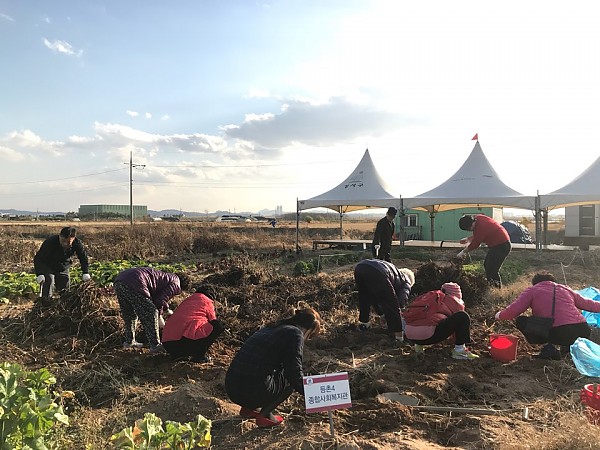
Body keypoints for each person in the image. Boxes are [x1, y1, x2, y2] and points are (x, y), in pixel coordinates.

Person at [225, 308, 322, 428]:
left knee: (264, 368)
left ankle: (248, 409)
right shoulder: (295, 334)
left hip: (232, 388)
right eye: (310, 335)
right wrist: (313, 393)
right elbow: (294, 373)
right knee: (289, 378)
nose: (307, 339)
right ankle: (265, 415)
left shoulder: (270, 328)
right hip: (252, 391)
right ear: (308, 329)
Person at [494, 272, 600, 360]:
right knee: (564, 328)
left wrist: (499, 315)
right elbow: (590, 304)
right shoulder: (566, 289)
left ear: (535, 283)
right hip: (582, 330)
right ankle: (567, 348)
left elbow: (514, 310)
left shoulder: (533, 290)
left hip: (557, 332)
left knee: (521, 320)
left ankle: (550, 349)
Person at [113, 267, 190, 353]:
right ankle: (155, 345)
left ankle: (129, 342)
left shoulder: (167, 277)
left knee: (130, 314)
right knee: (151, 312)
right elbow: (159, 301)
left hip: (120, 281)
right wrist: (159, 315)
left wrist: (166, 309)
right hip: (135, 282)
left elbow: (157, 296)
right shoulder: (176, 283)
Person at [403, 282, 479, 360]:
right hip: (429, 336)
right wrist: (460, 340)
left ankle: (418, 347)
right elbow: (456, 329)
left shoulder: (429, 296)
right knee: (463, 316)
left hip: (410, 336)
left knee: (425, 320)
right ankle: (459, 351)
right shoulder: (455, 301)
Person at [353, 259, 414, 342]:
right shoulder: (406, 282)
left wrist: (382, 314)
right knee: (392, 303)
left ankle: (364, 323)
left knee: (365, 295)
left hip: (360, 267)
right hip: (379, 272)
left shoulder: (394, 274)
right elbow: (399, 302)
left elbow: (375, 297)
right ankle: (399, 336)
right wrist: (398, 315)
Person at [161, 284, 225, 363]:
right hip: (184, 343)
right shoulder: (207, 302)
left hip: (167, 344)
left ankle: (179, 356)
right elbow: (213, 321)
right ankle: (199, 356)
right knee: (218, 325)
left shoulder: (187, 300)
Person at [34, 226, 90, 304]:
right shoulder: (50, 242)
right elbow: (38, 258)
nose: (65, 244)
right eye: (63, 241)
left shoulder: (77, 243)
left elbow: (83, 258)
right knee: (49, 281)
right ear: (60, 236)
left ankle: (64, 307)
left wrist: (85, 272)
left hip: (63, 266)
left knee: (65, 289)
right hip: (48, 265)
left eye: (68, 242)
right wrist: (39, 273)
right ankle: (44, 305)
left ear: (73, 239)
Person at [457, 214, 511, 288]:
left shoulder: (481, 227)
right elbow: (481, 235)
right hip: (497, 245)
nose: (469, 230)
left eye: (469, 228)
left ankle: (496, 289)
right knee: (487, 265)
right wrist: (468, 239)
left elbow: (475, 244)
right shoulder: (478, 218)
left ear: (472, 223)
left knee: (492, 270)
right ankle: (493, 286)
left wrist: (462, 252)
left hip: (501, 246)